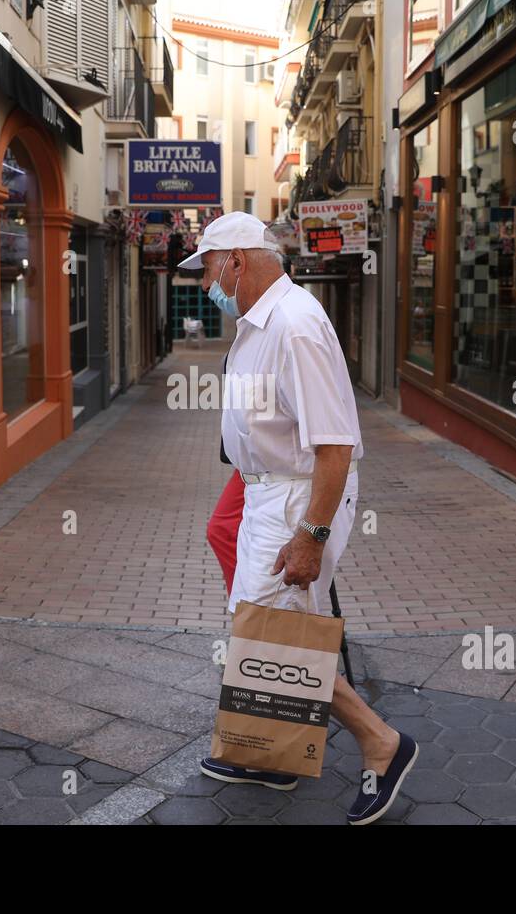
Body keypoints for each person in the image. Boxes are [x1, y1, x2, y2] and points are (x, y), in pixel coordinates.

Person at [180, 212, 417, 825]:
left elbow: (335, 444)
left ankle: (382, 743)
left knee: (276, 638)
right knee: (266, 628)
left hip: (296, 500)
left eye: (208, 267)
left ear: (236, 260)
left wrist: (310, 535)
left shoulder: (295, 325)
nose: (205, 282)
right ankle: (276, 756)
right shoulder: (259, 323)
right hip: (267, 492)